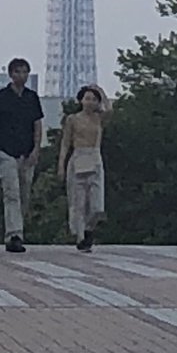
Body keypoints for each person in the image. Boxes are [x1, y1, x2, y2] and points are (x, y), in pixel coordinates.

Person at [0, 58, 44, 253]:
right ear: (10, 74)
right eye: (17, 72)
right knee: (11, 193)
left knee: (24, 194)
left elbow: (37, 125)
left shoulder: (32, 98)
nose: (21, 75)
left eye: (25, 72)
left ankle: (20, 229)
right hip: (5, 150)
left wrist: (36, 149)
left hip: (26, 152)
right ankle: (14, 234)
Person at [57, 84, 111, 252]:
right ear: (81, 100)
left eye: (94, 99)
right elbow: (66, 143)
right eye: (87, 98)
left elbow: (109, 111)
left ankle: (89, 228)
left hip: (94, 157)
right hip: (78, 157)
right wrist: (61, 164)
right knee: (78, 201)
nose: (90, 102)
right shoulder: (72, 119)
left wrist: (101, 91)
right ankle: (81, 236)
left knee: (96, 204)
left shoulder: (99, 118)